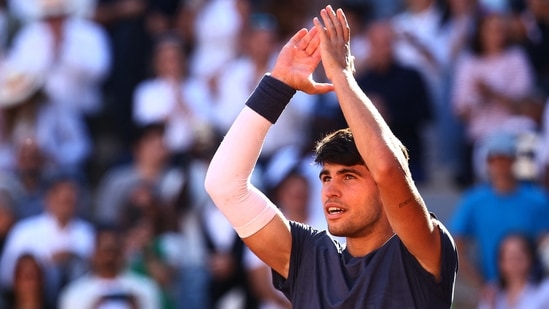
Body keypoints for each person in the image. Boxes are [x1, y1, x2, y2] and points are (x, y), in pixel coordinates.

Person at [204, 5, 458, 308]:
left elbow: (388, 169)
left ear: (381, 188)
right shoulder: (308, 257)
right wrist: (278, 84)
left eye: (349, 176)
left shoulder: (421, 252)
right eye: (326, 177)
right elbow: (224, 185)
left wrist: (341, 75)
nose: (330, 191)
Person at [450, 132, 549, 299]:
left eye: (505, 158)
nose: (500, 165)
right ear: (488, 163)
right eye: (494, 159)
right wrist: (481, 286)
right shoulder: (473, 201)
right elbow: (456, 247)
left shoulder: (537, 200)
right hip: (494, 294)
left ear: (514, 161)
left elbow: (545, 245)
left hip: (533, 292)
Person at [58, 224, 161, 309]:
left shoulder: (145, 289)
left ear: (122, 252)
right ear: (93, 254)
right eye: (105, 251)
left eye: (114, 251)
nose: (109, 257)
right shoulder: (75, 294)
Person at [477, 233, 549, 309]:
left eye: (518, 256)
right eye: (508, 257)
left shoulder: (545, 289)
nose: (514, 262)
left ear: (530, 257)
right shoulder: (492, 291)